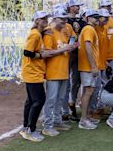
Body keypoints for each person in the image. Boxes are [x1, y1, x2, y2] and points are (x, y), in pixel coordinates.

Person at [42, 9, 78, 137]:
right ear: (55, 19)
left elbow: (66, 47)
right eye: (62, 19)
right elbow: (47, 53)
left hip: (63, 71)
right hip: (53, 72)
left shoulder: (63, 32)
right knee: (51, 99)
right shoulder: (49, 33)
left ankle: (57, 121)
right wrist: (65, 48)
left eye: (66, 19)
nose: (65, 21)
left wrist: (71, 46)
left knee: (60, 98)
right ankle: (47, 125)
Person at [19, 11, 54, 142]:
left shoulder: (37, 33)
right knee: (39, 100)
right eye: (43, 18)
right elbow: (27, 52)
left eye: (46, 18)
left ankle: (26, 127)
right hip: (32, 72)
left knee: (31, 101)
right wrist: (40, 56)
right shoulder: (34, 35)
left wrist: (43, 32)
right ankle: (30, 129)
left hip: (33, 72)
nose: (46, 20)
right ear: (37, 21)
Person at [77, 9, 103, 130]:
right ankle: (83, 119)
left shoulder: (91, 29)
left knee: (89, 91)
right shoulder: (88, 29)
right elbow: (87, 47)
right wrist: (93, 66)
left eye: (97, 17)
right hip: (87, 66)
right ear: (88, 18)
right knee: (88, 91)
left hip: (88, 66)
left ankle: (86, 116)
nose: (97, 19)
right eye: (94, 17)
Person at [65, 0, 86, 122]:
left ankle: (71, 105)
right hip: (66, 54)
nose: (78, 7)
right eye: (76, 5)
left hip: (78, 54)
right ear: (70, 7)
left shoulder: (80, 21)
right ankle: (63, 110)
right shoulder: (65, 20)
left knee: (76, 81)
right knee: (65, 82)